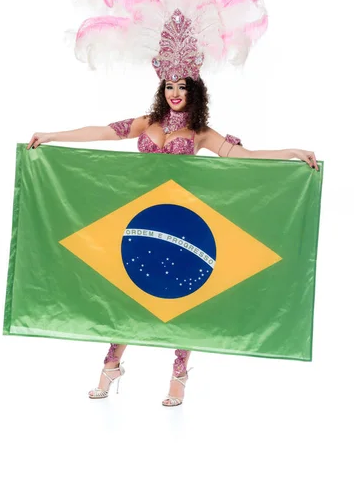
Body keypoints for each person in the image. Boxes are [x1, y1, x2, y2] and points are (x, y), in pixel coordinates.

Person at [27, 74, 318, 406]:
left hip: (184, 222)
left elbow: (245, 155)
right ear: (161, 90)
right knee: (130, 289)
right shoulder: (147, 122)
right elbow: (102, 131)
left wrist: (292, 153)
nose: (175, 93)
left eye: (182, 87)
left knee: (183, 296)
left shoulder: (202, 133)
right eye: (169, 86)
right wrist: (52, 135)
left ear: (194, 92)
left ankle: (178, 375)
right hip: (142, 218)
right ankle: (111, 365)